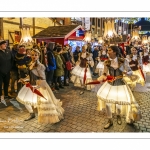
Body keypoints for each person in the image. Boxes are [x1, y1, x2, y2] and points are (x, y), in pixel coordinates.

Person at [96, 46, 142, 129]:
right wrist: (102, 77)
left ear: (115, 52)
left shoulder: (123, 61)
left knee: (118, 102)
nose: (108, 52)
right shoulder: (107, 62)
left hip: (120, 84)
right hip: (110, 84)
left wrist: (126, 72)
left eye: (109, 50)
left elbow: (130, 71)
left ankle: (118, 116)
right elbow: (105, 73)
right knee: (108, 103)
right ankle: (110, 120)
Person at [16, 49, 64, 123]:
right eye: (32, 55)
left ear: (38, 56)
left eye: (36, 55)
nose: (34, 56)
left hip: (39, 85)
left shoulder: (40, 66)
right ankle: (31, 114)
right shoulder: (30, 64)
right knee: (26, 101)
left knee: (44, 103)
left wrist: (38, 87)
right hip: (31, 85)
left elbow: (43, 78)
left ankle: (50, 116)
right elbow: (30, 76)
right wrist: (24, 79)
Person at [0, 40, 13, 105]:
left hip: (7, 71)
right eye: (4, 44)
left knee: (6, 84)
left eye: (6, 44)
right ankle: (0, 97)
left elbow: (11, 60)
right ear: (0, 45)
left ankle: (6, 95)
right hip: (0, 72)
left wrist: (10, 68)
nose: (6, 45)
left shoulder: (8, 51)